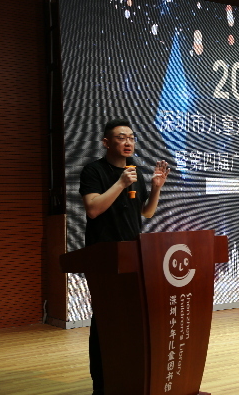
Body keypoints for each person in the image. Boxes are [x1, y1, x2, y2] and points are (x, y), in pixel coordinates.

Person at [79, 118, 170, 395]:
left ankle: (126, 378)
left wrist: (156, 188)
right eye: (121, 137)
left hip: (133, 255)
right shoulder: (93, 171)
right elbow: (93, 209)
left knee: (131, 320)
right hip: (104, 256)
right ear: (106, 142)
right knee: (105, 320)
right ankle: (102, 384)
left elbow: (146, 212)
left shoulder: (135, 172)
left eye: (131, 137)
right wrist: (120, 183)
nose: (128, 142)